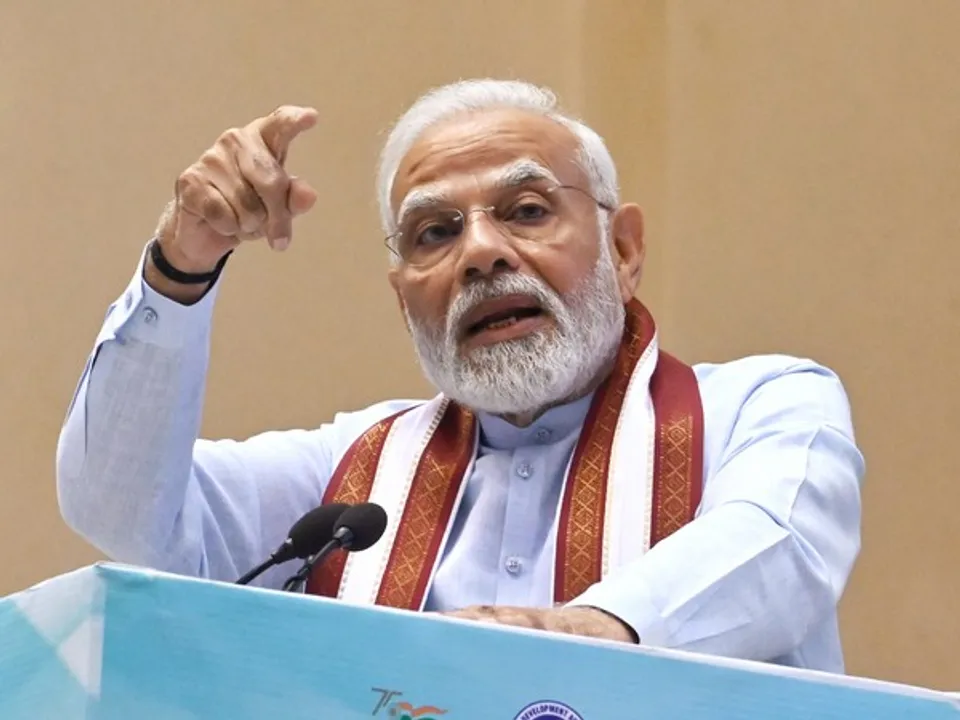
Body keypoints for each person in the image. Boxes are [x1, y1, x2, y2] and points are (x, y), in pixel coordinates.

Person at [55, 79, 864, 673]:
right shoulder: (352, 481)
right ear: (404, 299)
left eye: (527, 211)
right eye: (435, 231)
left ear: (624, 251)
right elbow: (121, 510)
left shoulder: (761, 406)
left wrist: (596, 629)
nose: (480, 252)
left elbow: (774, 544)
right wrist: (181, 263)